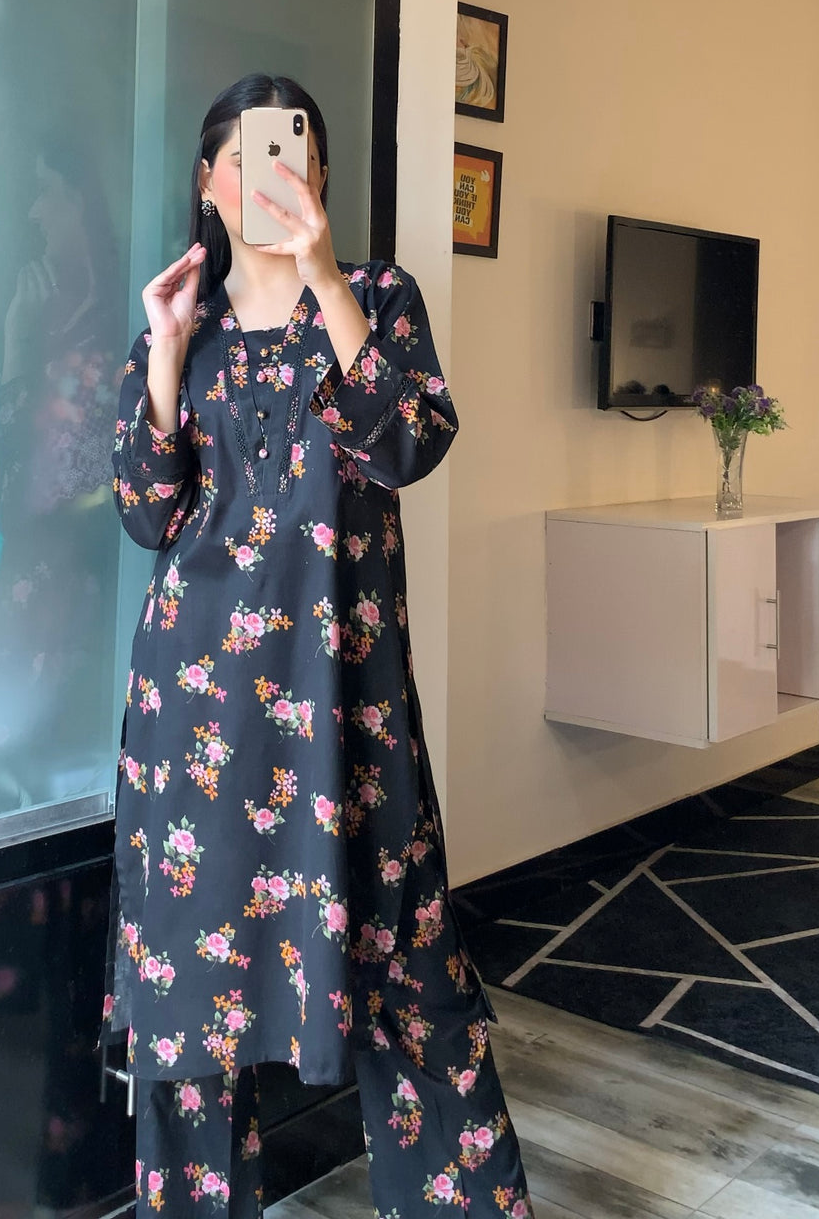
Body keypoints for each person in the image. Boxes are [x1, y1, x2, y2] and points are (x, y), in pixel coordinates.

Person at [101, 74, 534, 1218]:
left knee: (410, 982)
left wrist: (326, 279)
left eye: (291, 154)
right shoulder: (175, 326)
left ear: (320, 177)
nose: (267, 176)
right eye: (242, 157)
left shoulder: (375, 297)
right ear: (207, 181)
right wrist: (164, 351)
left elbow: (408, 445)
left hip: (346, 703)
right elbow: (145, 512)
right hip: (196, 716)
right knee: (188, 997)